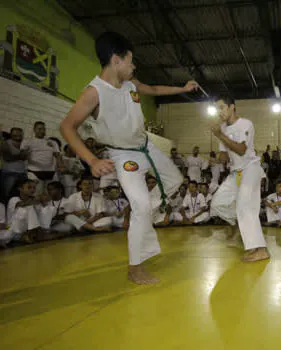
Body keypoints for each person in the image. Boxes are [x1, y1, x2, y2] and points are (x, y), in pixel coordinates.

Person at [59, 31, 197, 284]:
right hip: (123, 155)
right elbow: (67, 126)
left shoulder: (131, 84)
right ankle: (136, 267)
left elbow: (154, 89)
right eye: (131, 60)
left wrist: (182, 87)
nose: (134, 65)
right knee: (141, 205)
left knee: (175, 181)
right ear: (116, 60)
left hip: (147, 146)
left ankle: (144, 214)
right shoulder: (94, 92)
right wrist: (92, 160)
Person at [210, 94, 269, 262]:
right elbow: (224, 156)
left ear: (231, 107)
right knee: (217, 204)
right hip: (235, 172)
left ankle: (261, 249)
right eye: (217, 109)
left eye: (222, 108)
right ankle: (242, 224)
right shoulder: (223, 128)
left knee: (245, 208)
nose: (219, 112)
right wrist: (217, 159)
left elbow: (242, 150)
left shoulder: (245, 124)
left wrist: (220, 135)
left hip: (250, 168)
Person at [22, 121, 64, 195]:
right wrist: (26, 152)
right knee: (35, 195)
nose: (42, 131)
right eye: (39, 129)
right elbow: (22, 156)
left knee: (49, 195)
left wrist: (61, 166)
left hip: (50, 173)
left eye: (44, 129)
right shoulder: (27, 142)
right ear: (34, 130)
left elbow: (57, 155)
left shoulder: (52, 142)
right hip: (34, 172)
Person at [1, 127, 28, 202]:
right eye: (15, 134)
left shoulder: (25, 143)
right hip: (9, 173)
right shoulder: (6, 143)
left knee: (22, 196)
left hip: (23, 173)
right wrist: (20, 156)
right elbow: (7, 158)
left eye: (19, 134)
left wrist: (15, 156)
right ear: (11, 134)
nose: (18, 135)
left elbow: (26, 156)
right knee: (6, 195)